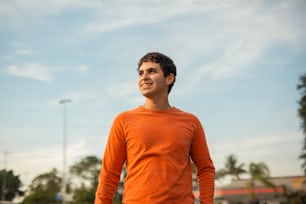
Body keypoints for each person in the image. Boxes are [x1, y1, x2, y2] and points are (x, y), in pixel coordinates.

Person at [94, 52, 215, 204]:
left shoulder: (191, 122)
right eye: (140, 73)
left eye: (151, 71)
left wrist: (207, 202)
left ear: (169, 78)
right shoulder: (123, 121)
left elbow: (205, 169)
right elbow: (110, 173)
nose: (144, 77)